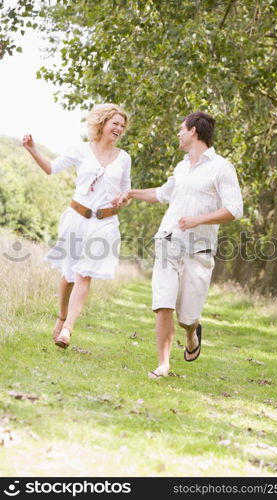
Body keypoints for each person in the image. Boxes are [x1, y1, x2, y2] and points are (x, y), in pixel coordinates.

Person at [112, 111, 243, 378]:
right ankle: (163, 364)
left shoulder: (221, 167)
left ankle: (192, 332)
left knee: (186, 316)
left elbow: (235, 209)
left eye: (181, 129)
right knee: (163, 303)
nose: (178, 134)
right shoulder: (181, 167)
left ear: (193, 131)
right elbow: (163, 193)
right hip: (168, 242)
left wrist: (198, 220)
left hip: (199, 251)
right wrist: (131, 193)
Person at [23, 103, 131, 349]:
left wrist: (123, 198)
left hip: (105, 222)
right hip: (76, 218)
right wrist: (32, 150)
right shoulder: (81, 150)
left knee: (85, 274)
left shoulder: (124, 158)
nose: (119, 129)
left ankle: (68, 330)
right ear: (102, 123)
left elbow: (126, 191)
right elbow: (51, 168)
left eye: (122, 126)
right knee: (68, 276)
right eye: (115, 123)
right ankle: (61, 317)